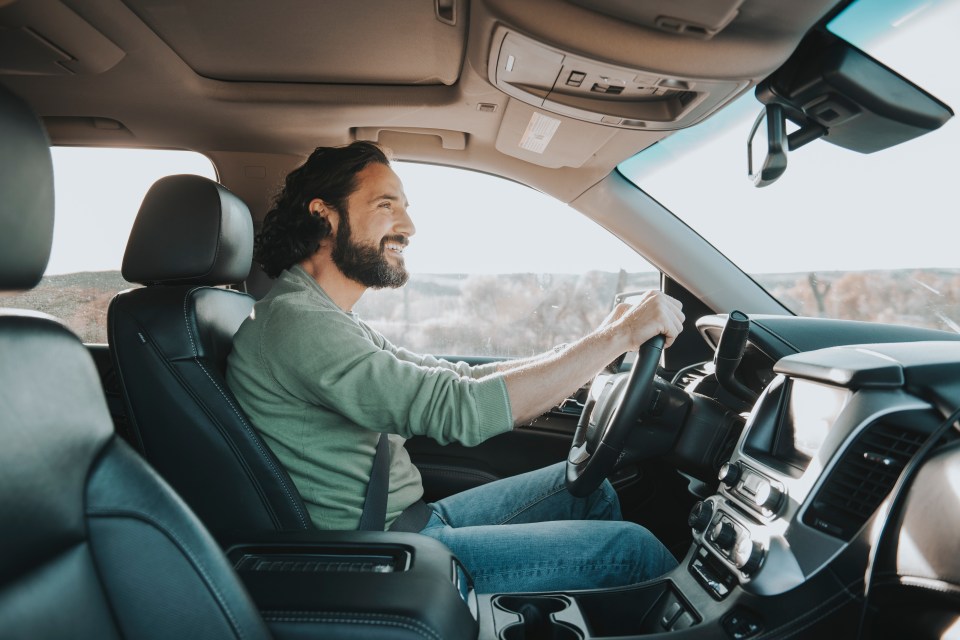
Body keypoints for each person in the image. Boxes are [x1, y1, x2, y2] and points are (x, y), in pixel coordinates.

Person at [225, 140, 686, 593]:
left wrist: (595, 346)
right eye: (387, 205)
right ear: (324, 213)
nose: (408, 227)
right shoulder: (299, 324)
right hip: (382, 553)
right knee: (632, 550)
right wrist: (616, 338)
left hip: (411, 521)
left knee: (591, 491)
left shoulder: (324, 317)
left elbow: (455, 377)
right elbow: (456, 407)